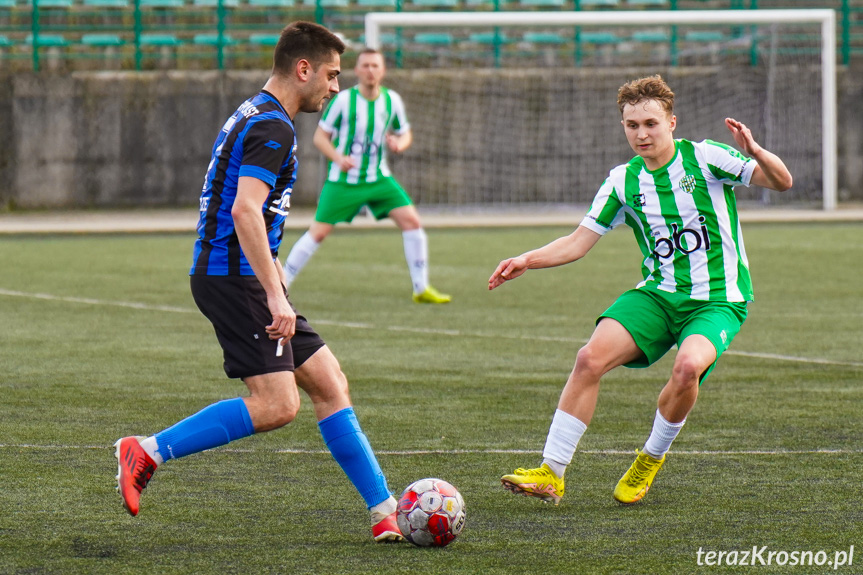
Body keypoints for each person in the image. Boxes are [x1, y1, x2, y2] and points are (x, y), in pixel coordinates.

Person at [113, 22, 404, 543]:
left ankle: (385, 513)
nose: (336, 87)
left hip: (239, 272)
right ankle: (147, 450)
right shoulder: (275, 127)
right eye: (332, 75)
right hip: (235, 277)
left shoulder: (257, 111)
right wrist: (275, 295)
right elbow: (246, 211)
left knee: (329, 381)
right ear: (303, 68)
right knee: (277, 404)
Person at [489, 75, 792, 506]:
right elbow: (578, 242)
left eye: (650, 123)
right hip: (656, 295)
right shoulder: (621, 181)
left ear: (672, 121)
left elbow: (782, 182)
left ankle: (650, 458)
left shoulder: (706, 158)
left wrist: (755, 151)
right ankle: (551, 473)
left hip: (719, 300)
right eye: (632, 125)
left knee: (688, 368)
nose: (641, 134)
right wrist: (526, 259)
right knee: (589, 358)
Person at [282, 48, 451, 304]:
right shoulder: (343, 101)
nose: (371, 70)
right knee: (317, 233)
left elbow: (405, 133)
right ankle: (280, 285)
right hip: (343, 182)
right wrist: (339, 158)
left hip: (379, 179)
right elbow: (320, 137)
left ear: (382, 70)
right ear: (358, 70)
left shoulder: (391, 100)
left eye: (375, 65)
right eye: (366, 65)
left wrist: (399, 144)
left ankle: (421, 288)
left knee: (412, 223)